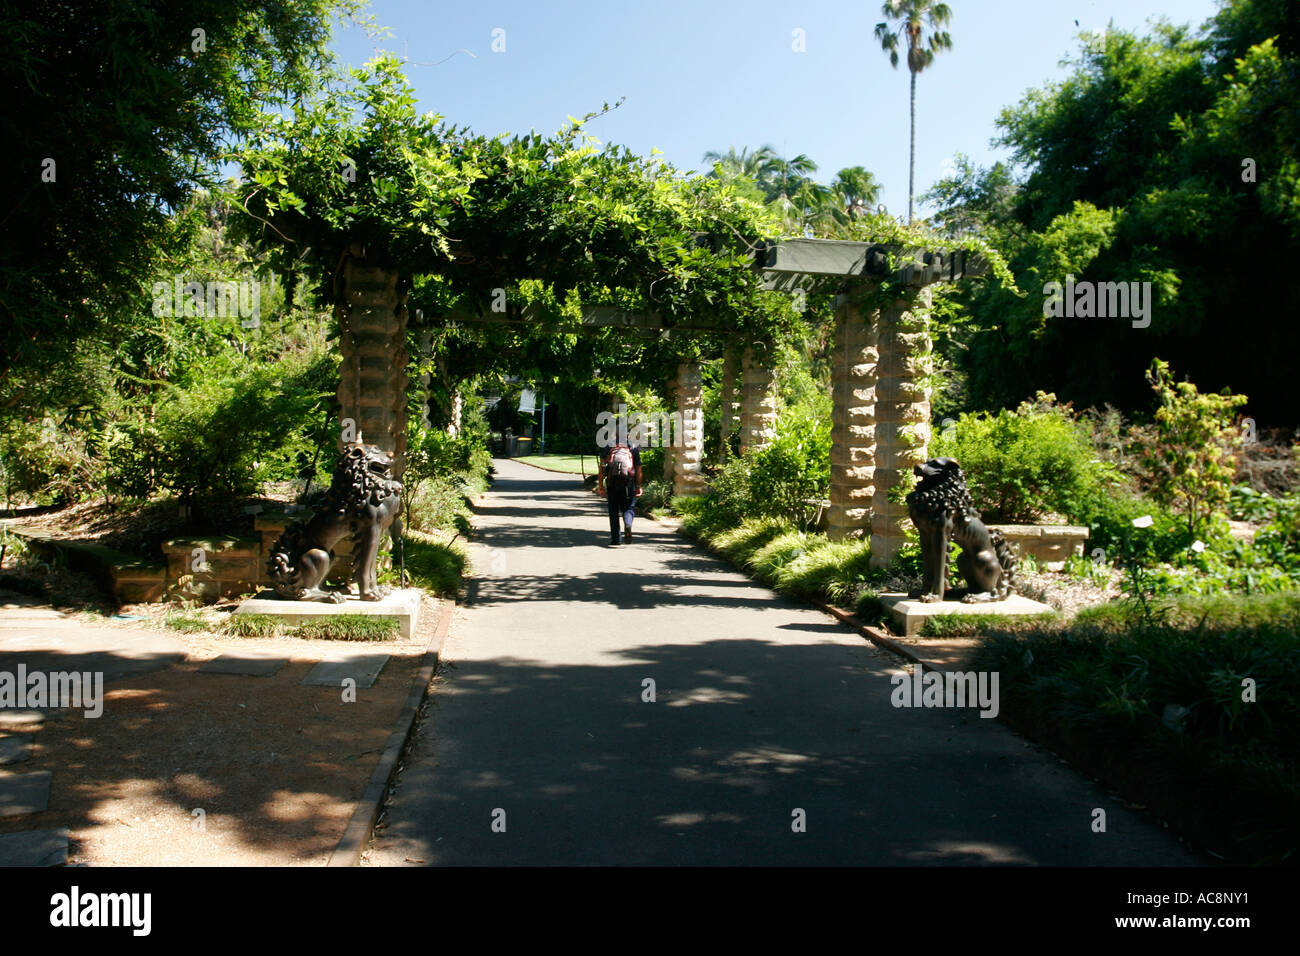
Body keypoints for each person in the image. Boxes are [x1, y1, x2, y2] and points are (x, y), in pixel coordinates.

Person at [596, 440, 642, 545]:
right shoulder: (633, 447)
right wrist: (639, 486)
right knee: (628, 507)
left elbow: (602, 467)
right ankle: (628, 524)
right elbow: (638, 468)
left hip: (612, 483)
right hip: (628, 483)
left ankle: (616, 539)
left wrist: (601, 486)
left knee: (613, 510)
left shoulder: (608, 446)